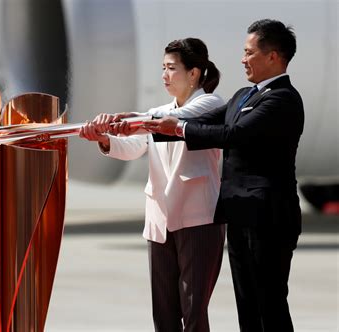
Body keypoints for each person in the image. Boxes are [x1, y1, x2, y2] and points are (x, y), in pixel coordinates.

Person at [142, 19, 304, 332]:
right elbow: (196, 119)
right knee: (247, 302)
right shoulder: (244, 95)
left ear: (273, 56)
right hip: (239, 214)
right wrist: (140, 123)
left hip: (269, 216)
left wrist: (180, 128)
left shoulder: (282, 99)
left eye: (249, 52)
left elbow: (234, 133)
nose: (243, 59)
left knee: (268, 301)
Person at [79, 38, 225, 332]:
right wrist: (106, 139)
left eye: (172, 68)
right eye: (163, 68)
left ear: (194, 73)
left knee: (194, 310)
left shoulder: (210, 104)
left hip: (198, 218)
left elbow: (174, 121)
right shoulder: (155, 111)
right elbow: (134, 147)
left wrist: (128, 119)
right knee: (164, 312)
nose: (165, 76)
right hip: (160, 218)